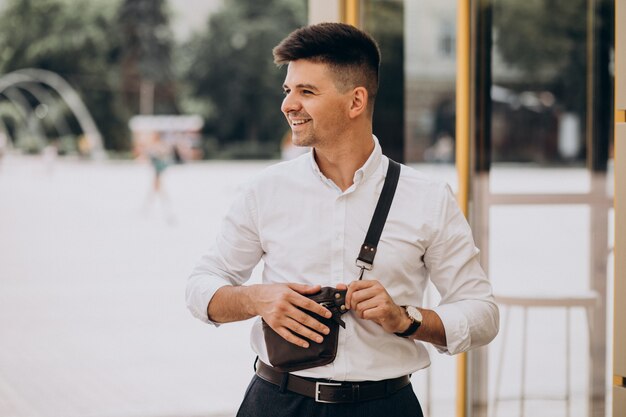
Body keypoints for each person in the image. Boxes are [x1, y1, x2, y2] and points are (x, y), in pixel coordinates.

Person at [186, 22, 499, 417]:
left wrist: (406, 319)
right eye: (288, 90)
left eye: (307, 92)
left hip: (386, 407)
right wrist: (258, 299)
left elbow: (482, 314)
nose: (287, 104)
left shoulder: (428, 198)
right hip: (276, 403)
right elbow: (200, 287)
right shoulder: (263, 191)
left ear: (356, 102)